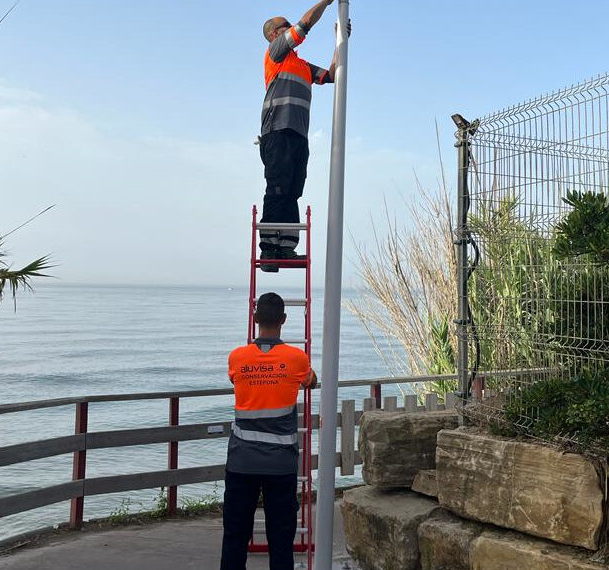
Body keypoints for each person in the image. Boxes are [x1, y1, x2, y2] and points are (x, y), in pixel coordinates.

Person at [220, 292, 317, 570]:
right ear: (284, 320)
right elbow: (311, 381)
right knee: (281, 540)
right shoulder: (297, 359)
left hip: (242, 462)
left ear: (255, 319)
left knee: (235, 538)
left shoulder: (237, 357)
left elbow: (235, 380)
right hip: (280, 464)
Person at [258, 0, 350, 272]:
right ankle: (269, 250)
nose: (290, 28)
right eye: (284, 26)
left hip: (298, 134)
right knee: (277, 188)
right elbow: (305, 24)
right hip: (277, 131)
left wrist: (339, 42)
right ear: (275, 34)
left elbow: (331, 76)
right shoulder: (276, 52)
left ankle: (286, 246)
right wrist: (327, 1)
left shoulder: (300, 65)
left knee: (293, 189)